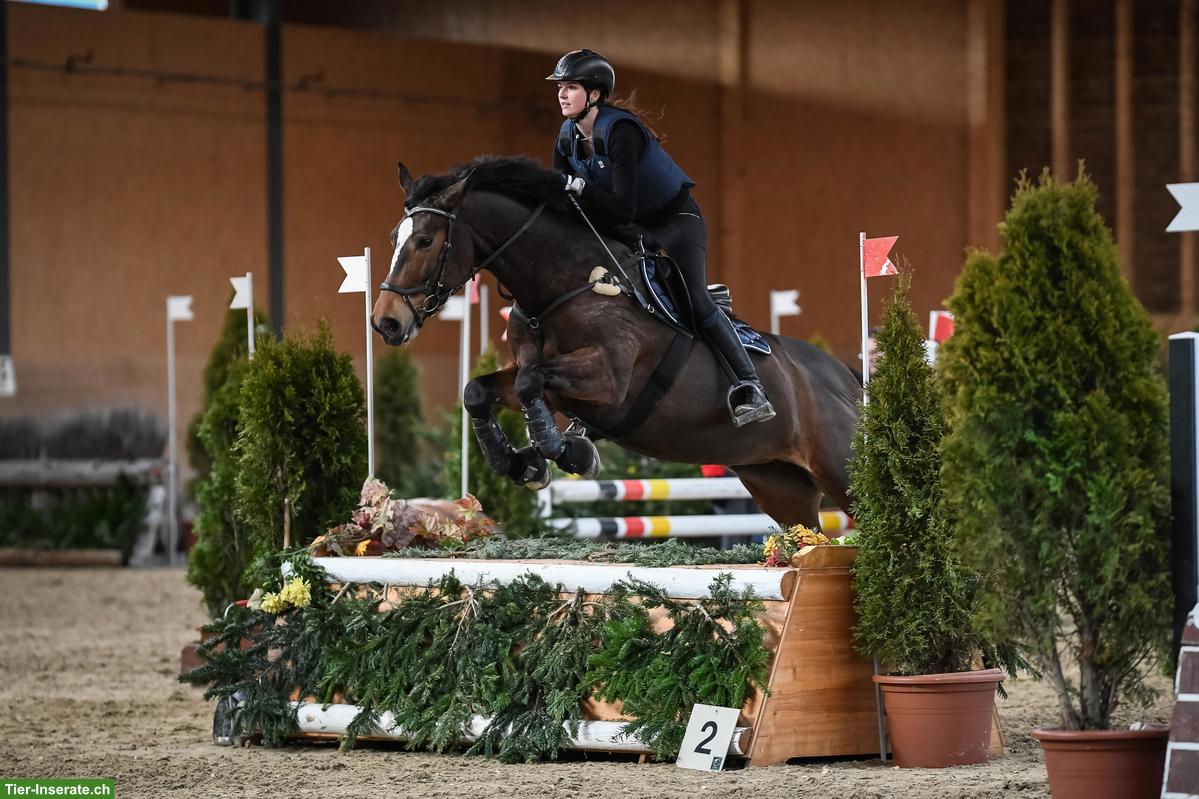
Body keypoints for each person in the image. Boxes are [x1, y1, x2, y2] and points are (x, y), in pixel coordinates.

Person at [546, 49, 775, 427]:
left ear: (595, 94)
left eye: (571, 87)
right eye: (560, 87)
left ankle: (750, 385)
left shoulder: (620, 132)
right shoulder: (567, 137)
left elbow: (622, 207)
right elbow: (562, 200)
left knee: (695, 302)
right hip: (630, 228)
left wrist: (580, 188)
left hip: (675, 221)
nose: (561, 94)